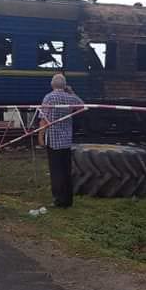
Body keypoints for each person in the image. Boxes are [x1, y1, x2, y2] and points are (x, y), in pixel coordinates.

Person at [37, 73, 84, 208]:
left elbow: (43, 119)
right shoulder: (69, 98)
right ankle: (68, 200)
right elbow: (82, 106)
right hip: (66, 140)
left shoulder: (49, 98)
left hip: (53, 140)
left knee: (56, 171)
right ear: (64, 85)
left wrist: (40, 137)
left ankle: (58, 200)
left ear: (52, 84)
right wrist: (72, 92)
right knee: (66, 170)